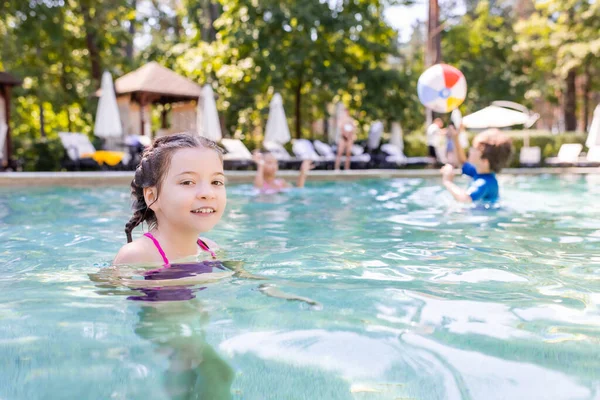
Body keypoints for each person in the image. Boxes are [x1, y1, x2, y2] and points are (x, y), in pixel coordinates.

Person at [113, 133, 226, 267]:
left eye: (216, 182)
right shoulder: (138, 255)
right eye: (187, 182)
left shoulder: (210, 250)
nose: (208, 193)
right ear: (152, 197)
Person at [441, 126, 513, 204]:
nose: (470, 150)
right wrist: (455, 138)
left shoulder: (485, 182)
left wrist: (447, 182)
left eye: (474, 149)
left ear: (484, 161)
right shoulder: (479, 171)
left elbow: (466, 199)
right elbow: (462, 162)